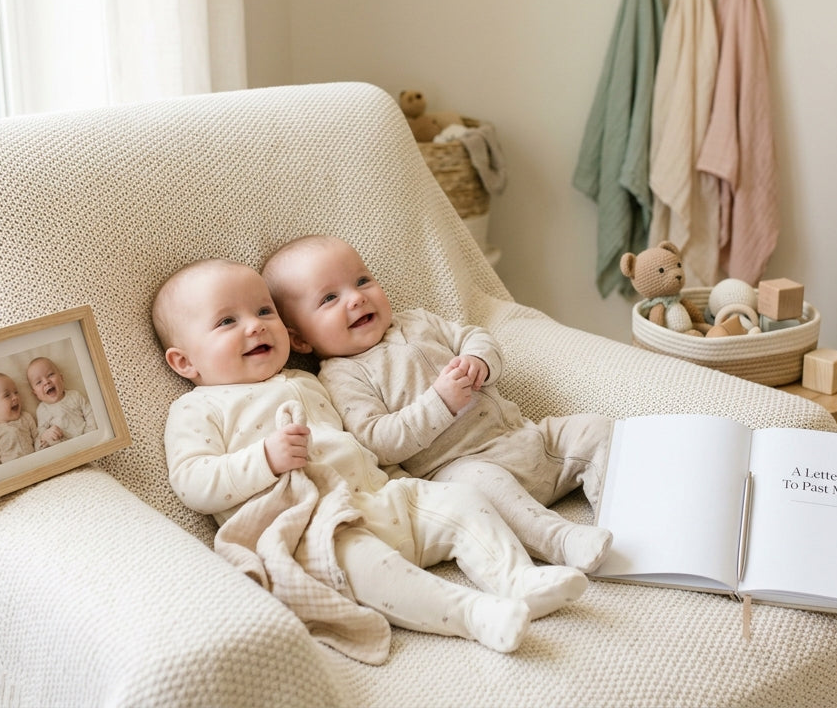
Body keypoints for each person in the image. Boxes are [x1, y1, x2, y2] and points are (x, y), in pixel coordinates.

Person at [152, 258, 586, 655]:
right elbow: (192, 481)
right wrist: (264, 458)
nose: (256, 326)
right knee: (366, 564)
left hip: (381, 497)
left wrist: (408, 485)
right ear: (184, 361)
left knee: (461, 501)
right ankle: (471, 613)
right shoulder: (197, 408)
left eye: (265, 312)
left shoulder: (315, 379)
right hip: (316, 524)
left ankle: (515, 578)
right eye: (227, 321)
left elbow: (365, 444)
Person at [262, 235, 614, 573]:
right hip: (462, 465)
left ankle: (621, 512)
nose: (355, 298)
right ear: (300, 340)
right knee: (481, 487)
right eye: (329, 299)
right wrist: (439, 403)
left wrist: (480, 360)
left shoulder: (417, 320)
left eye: (362, 280)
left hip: (527, 436)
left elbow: (475, 336)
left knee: (596, 428)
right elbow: (377, 442)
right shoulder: (341, 376)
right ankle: (562, 539)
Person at [0, 372, 46, 467]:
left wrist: (42, 447)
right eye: (7, 395)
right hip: (12, 472)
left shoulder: (26, 418)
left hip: (36, 464)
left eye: (16, 392)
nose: (15, 397)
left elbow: (37, 437)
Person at [27, 356, 97, 444]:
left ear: (61, 378)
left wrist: (90, 433)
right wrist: (46, 435)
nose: (46, 382)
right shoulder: (42, 410)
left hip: (87, 437)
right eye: (39, 382)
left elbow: (90, 413)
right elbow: (41, 432)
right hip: (64, 446)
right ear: (35, 394)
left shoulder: (74, 395)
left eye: (50, 375)